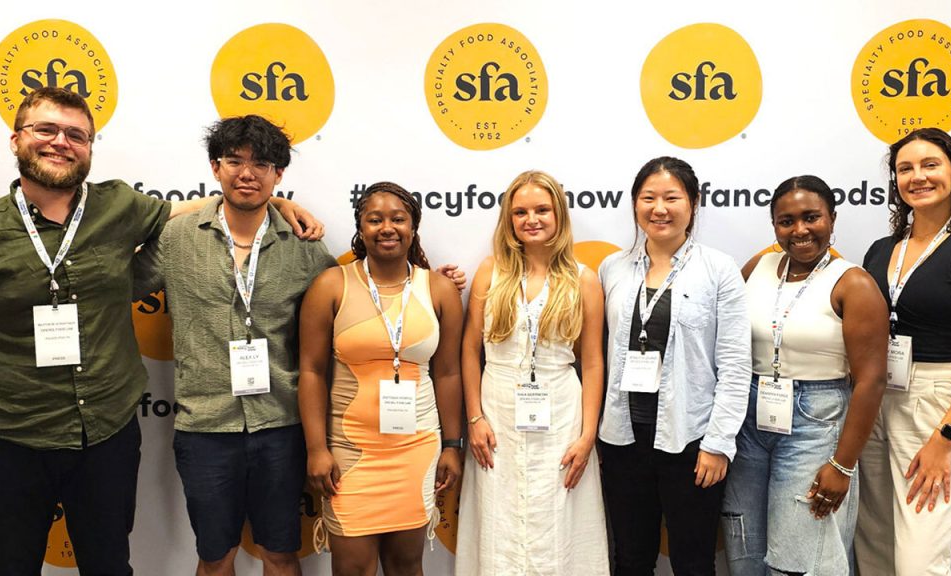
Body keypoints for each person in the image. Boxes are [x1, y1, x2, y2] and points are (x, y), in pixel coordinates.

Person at [0, 87, 320, 575]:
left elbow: (216, 205)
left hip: (110, 433)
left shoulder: (117, 206)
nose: (61, 142)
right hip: (12, 437)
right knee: (11, 565)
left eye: (75, 134)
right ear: (16, 139)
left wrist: (273, 202)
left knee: (111, 563)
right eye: (46, 130)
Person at [133, 115, 336, 576]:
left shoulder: (303, 245)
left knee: (280, 554)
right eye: (234, 161)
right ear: (215, 167)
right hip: (205, 426)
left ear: (278, 174)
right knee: (215, 556)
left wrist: (430, 281)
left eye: (261, 164)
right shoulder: (177, 237)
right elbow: (117, 282)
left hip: (280, 425)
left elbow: (352, 303)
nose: (247, 173)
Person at [721, 175, 887, 575]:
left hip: (816, 420)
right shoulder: (759, 267)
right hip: (750, 418)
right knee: (744, 545)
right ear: (774, 226)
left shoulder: (853, 283)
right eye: (786, 221)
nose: (800, 230)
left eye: (811, 217)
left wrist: (842, 465)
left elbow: (871, 380)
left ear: (832, 218)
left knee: (801, 555)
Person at [298, 181, 464, 576]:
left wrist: (452, 445)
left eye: (398, 219)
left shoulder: (439, 290)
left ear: (413, 227)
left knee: (406, 566)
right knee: (352, 568)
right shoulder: (331, 285)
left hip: (416, 448)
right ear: (361, 227)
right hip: (349, 453)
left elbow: (448, 373)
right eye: (375, 220)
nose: (387, 228)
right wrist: (317, 449)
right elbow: (311, 371)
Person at [598, 156, 752, 575]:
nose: (659, 209)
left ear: (694, 203)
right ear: (635, 203)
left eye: (672, 197)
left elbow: (735, 365)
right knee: (630, 559)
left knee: (693, 561)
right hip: (623, 439)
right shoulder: (613, 268)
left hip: (691, 440)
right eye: (648, 198)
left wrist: (718, 443)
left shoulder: (719, 270)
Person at [455, 170, 608, 575]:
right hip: (497, 412)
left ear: (559, 215)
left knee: (557, 517)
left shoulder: (584, 280)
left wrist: (587, 435)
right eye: (520, 212)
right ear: (508, 219)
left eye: (542, 209)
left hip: (562, 414)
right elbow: (470, 350)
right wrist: (475, 417)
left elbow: (593, 362)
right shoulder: (491, 271)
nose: (531, 219)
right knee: (499, 516)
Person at [854, 128, 951, 576]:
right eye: (905, 168)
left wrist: (944, 438)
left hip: (937, 401)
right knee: (873, 545)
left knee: (918, 560)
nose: (918, 177)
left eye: (930, 164)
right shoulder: (881, 251)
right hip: (877, 396)